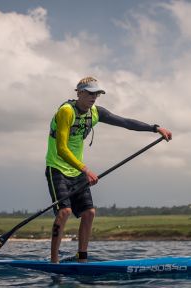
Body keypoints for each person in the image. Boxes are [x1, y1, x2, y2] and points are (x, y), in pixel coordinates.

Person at [45, 76, 172, 263]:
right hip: (57, 168)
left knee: (89, 213)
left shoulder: (96, 112)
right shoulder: (66, 111)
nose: (93, 97)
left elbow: (125, 122)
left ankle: (82, 258)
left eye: (96, 94)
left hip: (77, 171)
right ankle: (54, 261)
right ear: (79, 93)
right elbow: (62, 149)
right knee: (64, 212)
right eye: (89, 93)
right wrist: (86, 170)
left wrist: (155, 128)